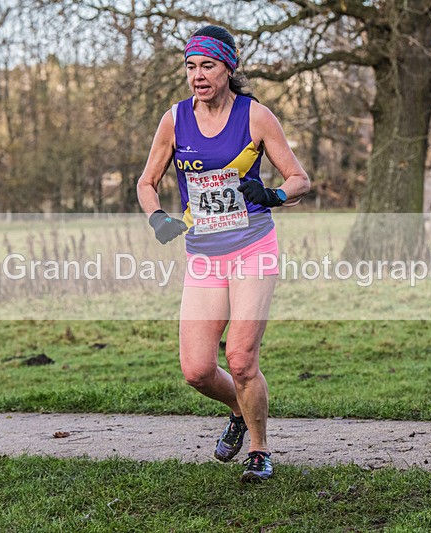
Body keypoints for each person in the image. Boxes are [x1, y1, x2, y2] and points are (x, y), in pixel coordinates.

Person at [136, 25, 310, 482]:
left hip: (253, 247)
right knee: (196, 370)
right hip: (204, 255)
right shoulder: (175, 120)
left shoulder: (256, 117)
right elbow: (146, 182)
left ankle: (259, 449)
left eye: (208, 66)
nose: (198, 75)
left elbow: (300, 180)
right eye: (191, 66)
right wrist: (157, 218)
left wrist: (272, 195)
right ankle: (240, 410)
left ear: (228, 68)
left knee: (240, 358)